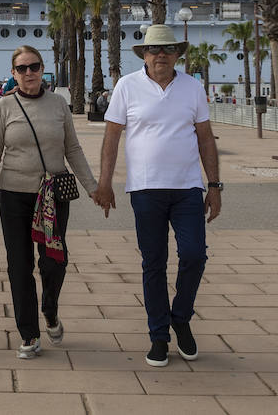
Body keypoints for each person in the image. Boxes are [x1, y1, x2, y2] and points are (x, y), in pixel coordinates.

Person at [92, 24, 221, 368]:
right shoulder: (127, 86)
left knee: (194, 255)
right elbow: (111, 137)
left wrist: (215, 185)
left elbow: (205, 138)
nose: (160, 55)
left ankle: (181, 317)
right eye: (153, 49)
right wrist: (104, 183)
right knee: (154, 263)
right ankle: (159, 336)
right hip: (145, 188)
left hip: (188, 188)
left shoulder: (192, 87)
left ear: (177, 54)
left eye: (167, 49)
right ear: (144, 55)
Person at [0, 46, 98, 358]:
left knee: (54, 261)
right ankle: (29, 333)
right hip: (13, 195)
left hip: (52, 195)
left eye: (34, 67)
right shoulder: (5, 106)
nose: (29, 73)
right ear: (13, 73)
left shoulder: (58, 104)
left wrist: (93, 187)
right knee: (19, 265)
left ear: (42, 69)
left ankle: (50, 308)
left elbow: (73, 149)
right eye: (22, 68)